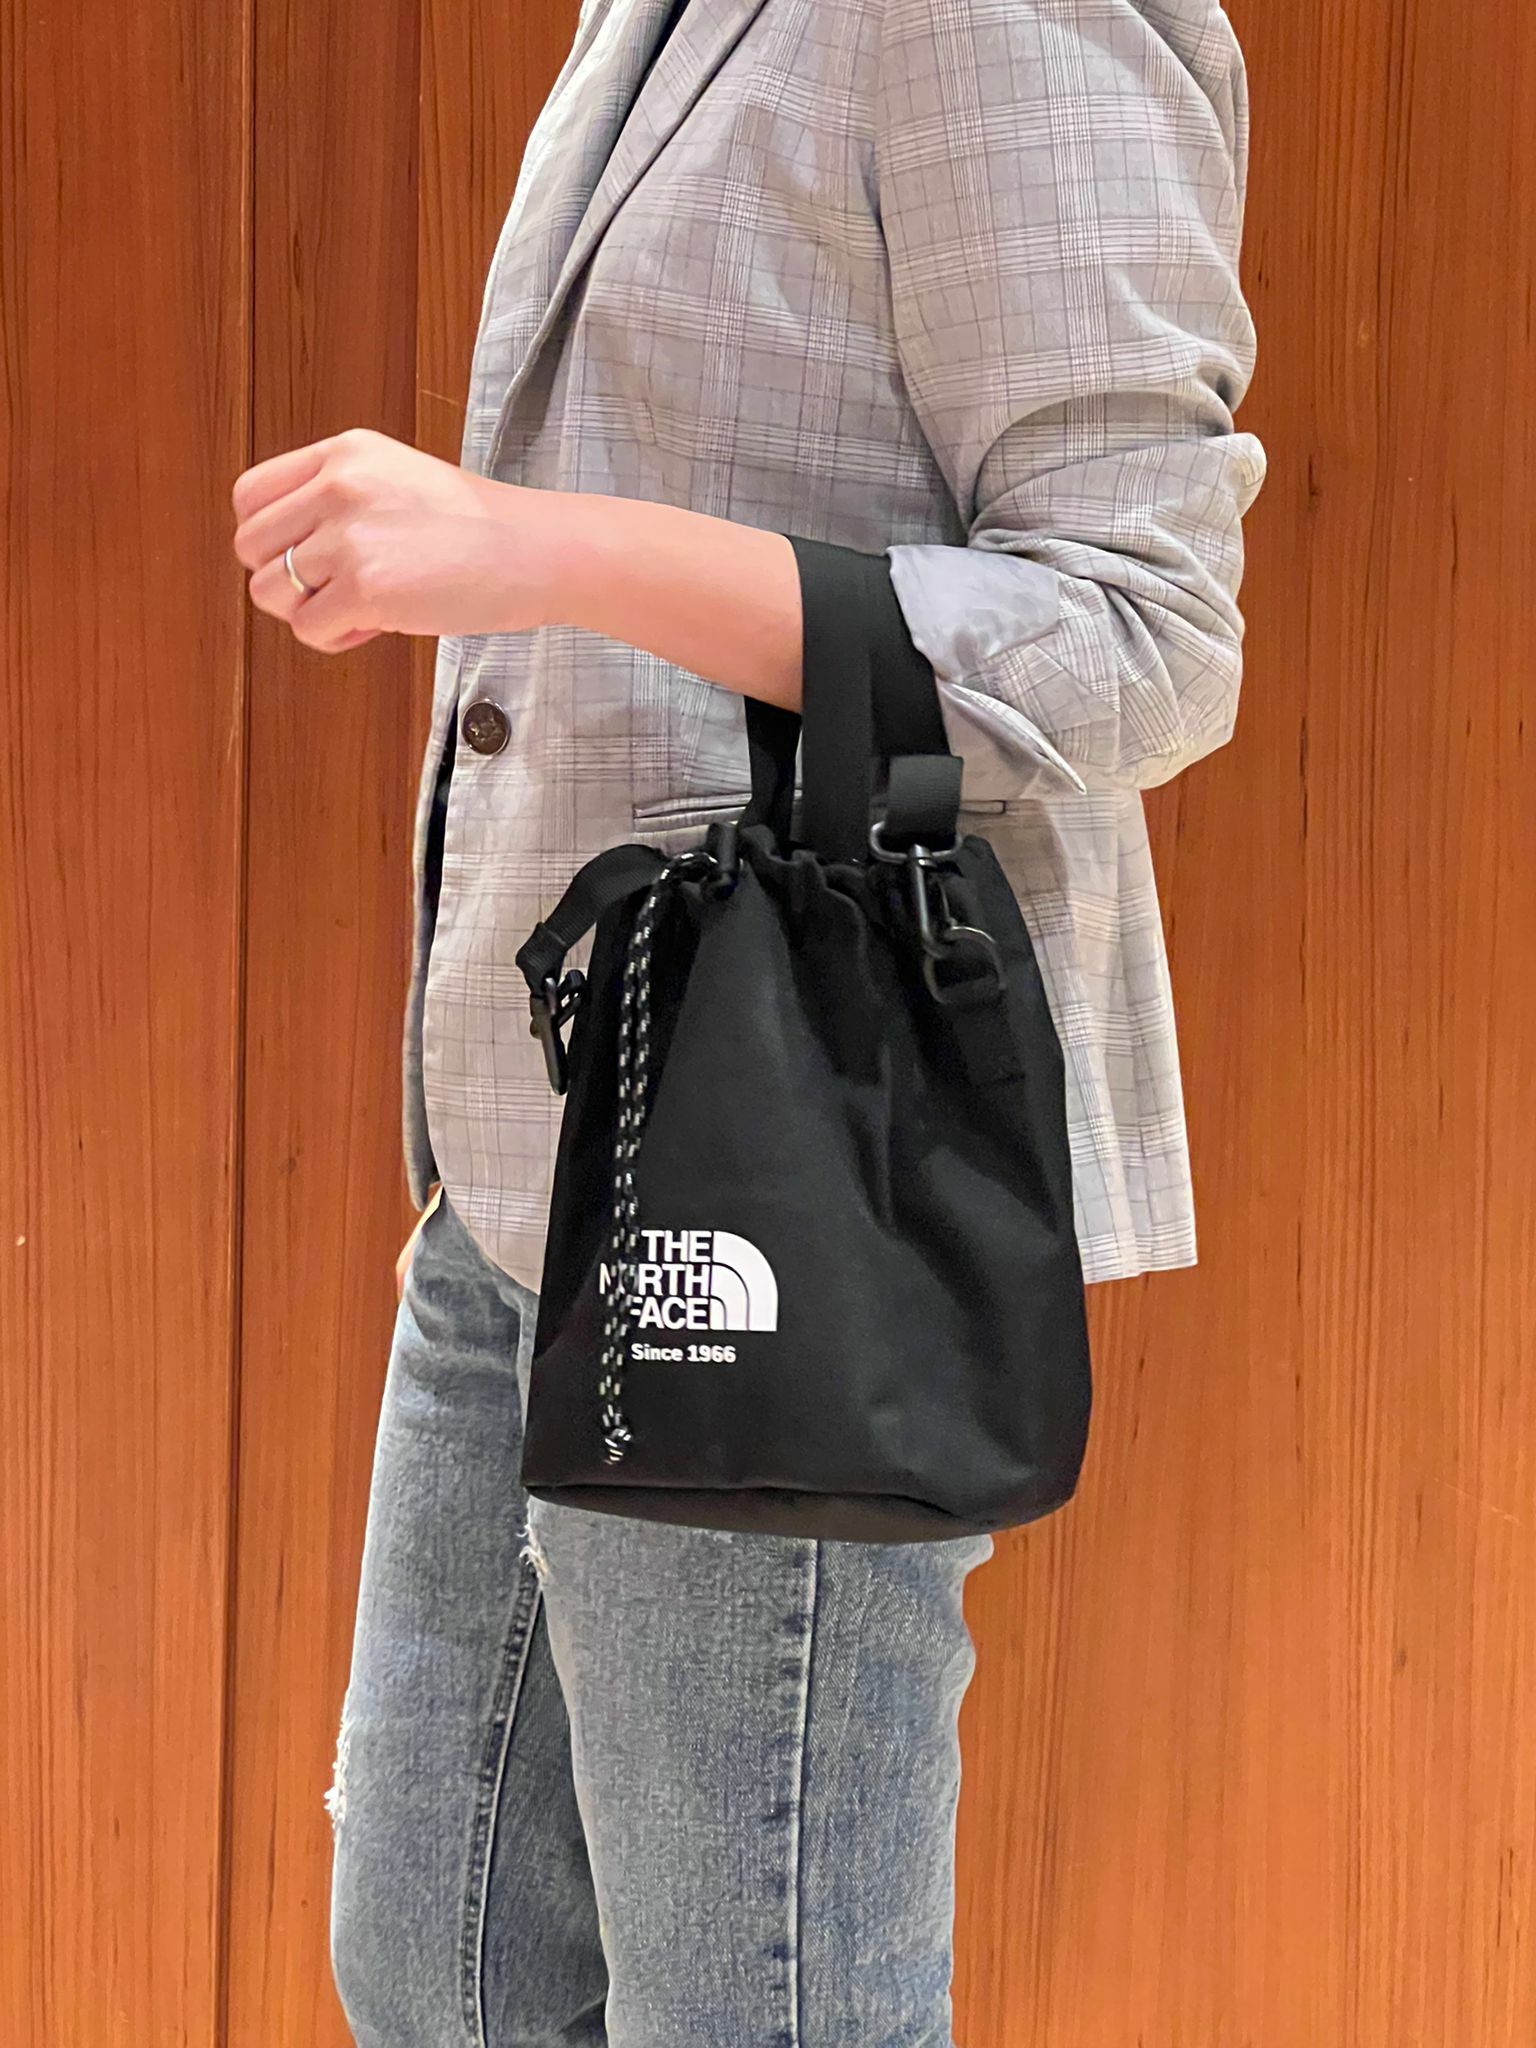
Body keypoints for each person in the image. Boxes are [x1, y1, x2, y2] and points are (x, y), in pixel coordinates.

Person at [231, 1, 1265, 2040]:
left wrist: (543, 550)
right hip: (536, 1149)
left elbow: (1140, 632)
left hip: (791, 1159)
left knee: (755, 2009)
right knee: (440, 1978)